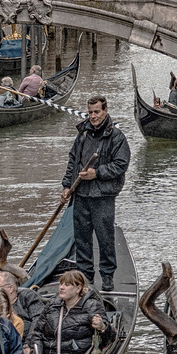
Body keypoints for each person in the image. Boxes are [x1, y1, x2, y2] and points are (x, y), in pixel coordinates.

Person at [61, 95, 131, 291]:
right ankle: (85, 276)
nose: (93, 116)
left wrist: (97, 173)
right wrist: (67, 186)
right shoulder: (82, 135)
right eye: (90, 112)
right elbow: (72, 161)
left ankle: (107, 276)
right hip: (81, 194)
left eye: (97, 112)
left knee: (105, 238)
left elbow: (121, 165)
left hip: (103, 196)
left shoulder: (117, 137)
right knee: (82, 238)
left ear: (105, 111)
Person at [30, 270, 107, 354]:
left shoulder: (92, 306)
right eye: (61, 284)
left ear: (78, 288)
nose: (61, 288)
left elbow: (109, 338)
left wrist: (102, 327)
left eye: (67, 285)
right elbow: (37, 332)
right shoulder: (52, 304)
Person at [0, 270, 46, 338]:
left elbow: (38, 319)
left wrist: (28, 342)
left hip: (28, 340)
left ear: (11, 288)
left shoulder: (28, 296)